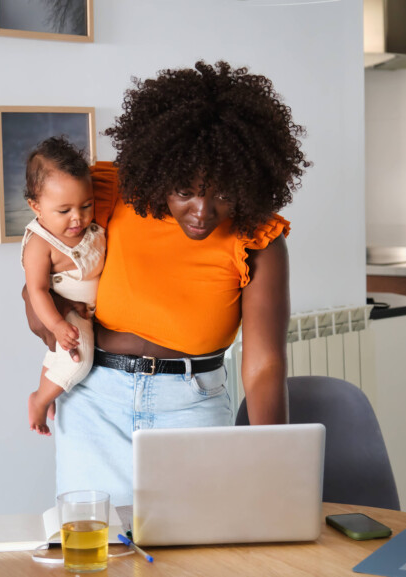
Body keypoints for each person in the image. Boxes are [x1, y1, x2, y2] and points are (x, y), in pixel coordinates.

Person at [23, 61, 309, 505]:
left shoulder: (259, 240)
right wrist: (56, 325)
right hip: (95, 402)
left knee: (201, 562)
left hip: (192, 408)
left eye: (223, 193)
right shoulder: (114, 193)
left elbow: (265, 366)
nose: (202, 212)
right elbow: (38, 276)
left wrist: (271, 460)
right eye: (185, 190)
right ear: (159, 171)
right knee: (96, 561)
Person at [21, 137, 106, 436]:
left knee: (60, 358)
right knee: (78, 362)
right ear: (36, 206)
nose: (78, 218)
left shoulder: (90, 228)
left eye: (86, 205)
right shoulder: (41, 244)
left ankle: (47, 389)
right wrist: (57, 325)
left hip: (90, 312)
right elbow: (37, 290)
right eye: (64, 210)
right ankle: (41, 400)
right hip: (67, 312)